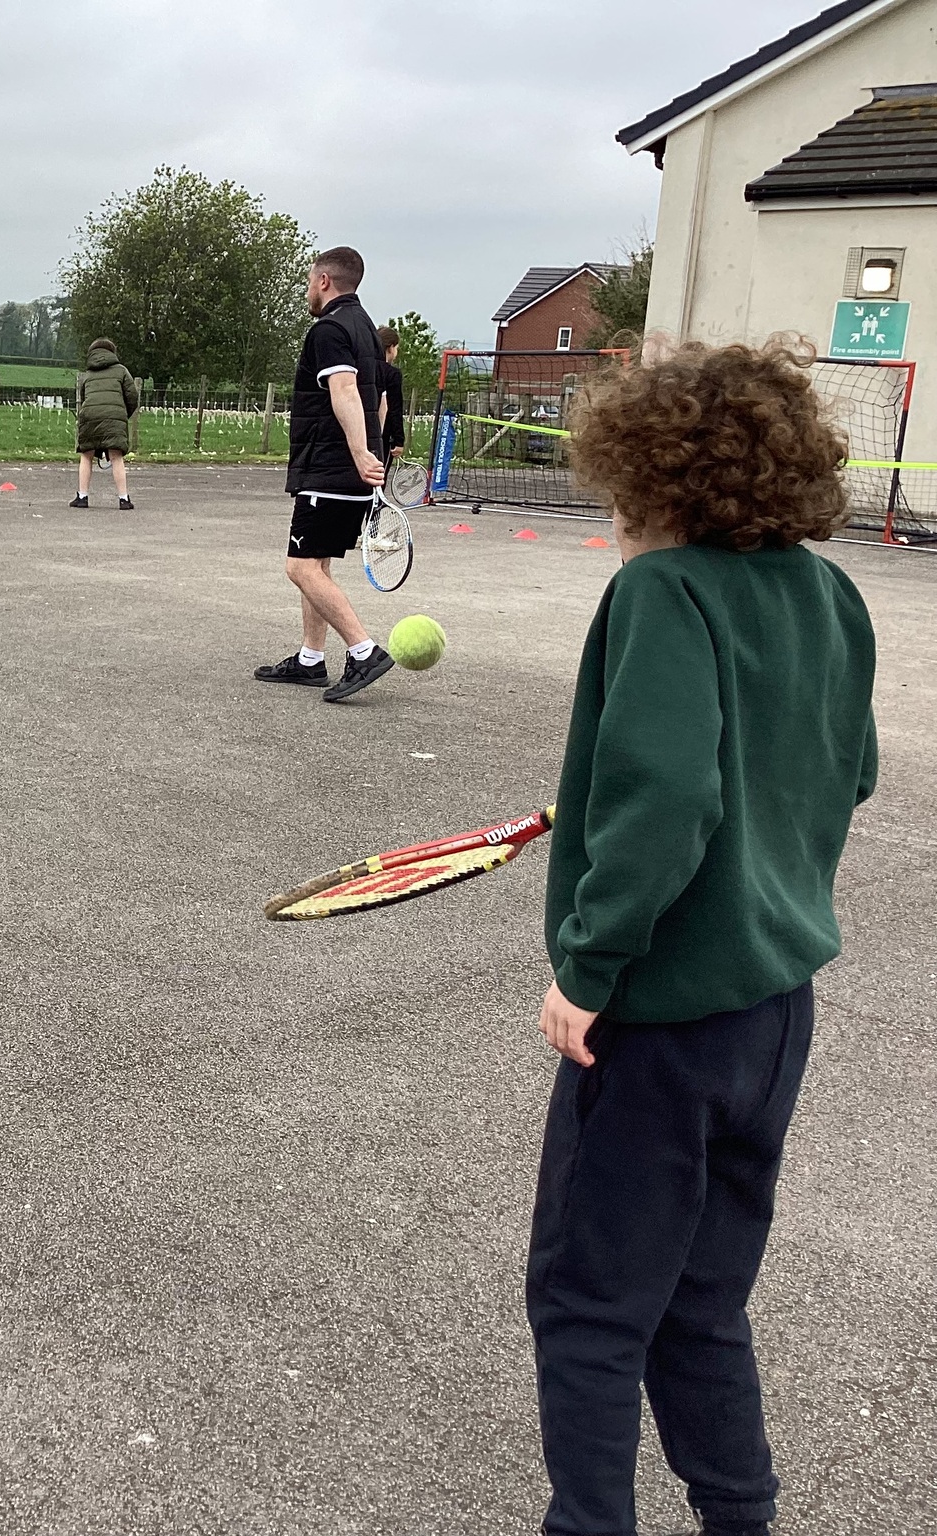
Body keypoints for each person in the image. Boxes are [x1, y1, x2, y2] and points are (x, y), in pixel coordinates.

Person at [527, 339, 877, 1536]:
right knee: (700, 1301)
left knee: (585, 1304)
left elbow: (670, 796)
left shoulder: (660, 592)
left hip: (661, 1019)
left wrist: (587, 966)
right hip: (773, 1016)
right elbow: (844, 770)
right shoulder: (828, 593)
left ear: (655, 479)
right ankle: (739, 1518)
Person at [255, 246, 392, 703]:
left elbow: (346, 391)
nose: (308, 290)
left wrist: (359, 453)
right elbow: (380, 402)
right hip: (352, 470)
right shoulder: (366, 328)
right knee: (317, 562)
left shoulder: (330, 329)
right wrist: (372, 453)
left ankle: (363, 650)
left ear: (324, 281)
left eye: (309, 281)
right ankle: (311, 658)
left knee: (299, 567)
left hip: (332, 467)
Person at [71, 337, 138, 510]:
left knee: (86, 455)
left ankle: (82, 497)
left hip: (89, 416)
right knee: (116, 457)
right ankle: (123, 499)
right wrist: (122, 415)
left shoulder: (88, 374)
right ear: (112, 352)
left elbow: (84, 398)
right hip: (114, 416)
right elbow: (132, 396)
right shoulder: (121, 371)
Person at [376, 324, 405, 463]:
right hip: (384, 434)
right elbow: (394, 408)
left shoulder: (363, 368)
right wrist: (399, 440)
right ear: (391, 347)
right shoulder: (392, 374)